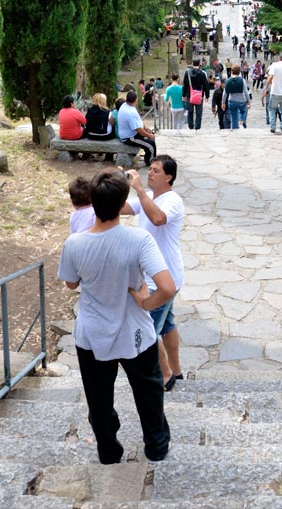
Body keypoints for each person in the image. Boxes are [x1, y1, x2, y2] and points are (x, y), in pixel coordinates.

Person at [57, 168, 174, 464]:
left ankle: (108, 452)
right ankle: (156, 447)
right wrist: (146, 303)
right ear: (123, 202)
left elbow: (70, 283)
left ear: (91, 201)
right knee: (148, 393)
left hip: (92, 334)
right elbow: (167, 288)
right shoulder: (139, 240)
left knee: (98, 400)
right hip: (135, 331)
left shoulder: (75, 243)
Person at [121, 156, 184, 392]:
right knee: (166, 325)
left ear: (168, 177)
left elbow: (158, 219)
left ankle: (165, 378)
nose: (150, 173)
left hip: (163, 280)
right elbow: (121, 208)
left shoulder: (172, 200)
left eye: (156, 171)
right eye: (151, 169)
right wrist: (116, 184)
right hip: (157, 277)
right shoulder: (150, 197)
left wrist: (139, 190)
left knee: (147, 330)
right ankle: (176, 372)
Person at [118, 90, 156, 165]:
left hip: (132, 133)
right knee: (150, 144)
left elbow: (138, 120)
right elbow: (138, 130)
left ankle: (149, 157)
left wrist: (145, 128)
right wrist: (149, 136)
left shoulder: (126, 105)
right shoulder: (130, 112)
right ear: (136, 100)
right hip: (129, 137)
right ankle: (150, 162)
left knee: (149, 136)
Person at [264, 52, 282, 134]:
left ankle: (273, 127)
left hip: (275, 90)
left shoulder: (274, 65)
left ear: (279, 58)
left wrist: (266, 87)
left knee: (272, 109)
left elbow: (270, 77)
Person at [182, 58, 210, 130]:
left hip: (189, 94)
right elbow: (206, 85)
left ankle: (190, 125)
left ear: (192, 64)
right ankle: (197, 126)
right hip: (199, 95)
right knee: (198, 112)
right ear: (199, 64)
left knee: (190, 111)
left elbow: (185, 84)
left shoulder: (187, 73)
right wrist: (207, 95)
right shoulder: (202, 73)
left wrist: (183, 94)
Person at [224, 64, 252, 130]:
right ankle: (241, 121)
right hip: (241, 100)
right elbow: (246, 92)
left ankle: (235, 129)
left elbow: (225, 93)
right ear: (239, 72)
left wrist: (223, 102)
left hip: (231, 100)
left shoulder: (228, 81)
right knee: (243, 112)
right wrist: (249, 101)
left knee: (233, 117)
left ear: (231, 71)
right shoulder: (242, 80)